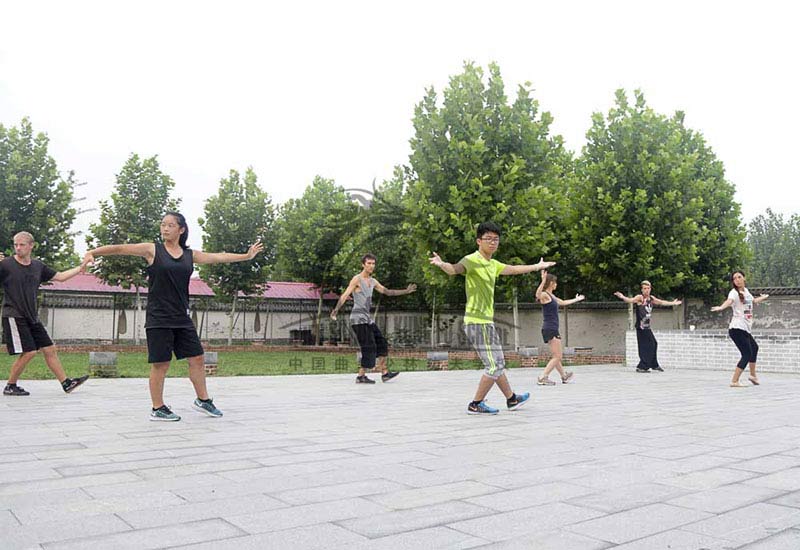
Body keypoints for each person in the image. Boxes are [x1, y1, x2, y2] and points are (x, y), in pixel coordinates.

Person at [84, 212, 262, 421]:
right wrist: (93, 252)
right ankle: (157, 408)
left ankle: (203, 400)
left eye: (170, 225)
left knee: (197, 357)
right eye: (163, 225)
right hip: (159, 317)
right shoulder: (153, 250)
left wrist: (246, 256)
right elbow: (120, 248)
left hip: (182, 317)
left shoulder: (189, 255)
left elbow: (217, 257)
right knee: (161, 363)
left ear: (181, 229)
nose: (165, 228)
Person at [429, 221, 554, 415]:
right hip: (477, 322)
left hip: (486, 322)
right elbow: (454, 269)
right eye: (488, 239)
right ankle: (475, 403)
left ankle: (511, 399)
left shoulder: (492, 264)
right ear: (479, 241)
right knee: (495, 364)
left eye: (496, 239)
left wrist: (537, 266)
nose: (493, 243)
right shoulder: (472, 259)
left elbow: (513, 269)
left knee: (497, 362)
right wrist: (441, 264)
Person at [1, 232, 90, 396]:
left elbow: (61, 277)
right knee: (30, 351)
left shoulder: (38, 266)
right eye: (16, 245)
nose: (18, 248)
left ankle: (66, 383)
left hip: (31, 316)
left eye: (22, 244)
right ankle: (10, 385)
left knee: (49, 349)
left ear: (31, 245)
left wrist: (81, 267)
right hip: (14, 314)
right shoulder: (5, 265)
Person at [330, 253, 417, 383]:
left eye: (373, 263)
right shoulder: (357, 279)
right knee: (369, 346)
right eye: (369, 263)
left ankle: (385, 373)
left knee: (381, 343)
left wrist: (406, 291)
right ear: (363, 265)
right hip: (358, 320)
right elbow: (345, 295)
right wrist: (335, 311)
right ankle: (361, 376)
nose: (371, 266)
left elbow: (387, 292)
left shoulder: (373, 281)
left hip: (367, 319)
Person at [711, 271, 768, 387]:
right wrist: (721, 307)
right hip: (737, 328)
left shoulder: (746, 292)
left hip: (745, 328)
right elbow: (729, 301)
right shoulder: (733, 293)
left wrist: (763, 297)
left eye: (739, 277)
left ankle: (753, 375)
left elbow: (753, 301)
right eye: (734, 278)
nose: (737, 280)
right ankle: (734, 381)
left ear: (744, 278)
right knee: (747, 354)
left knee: (754, 348)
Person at [614, 281, 681, 373]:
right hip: (641, 327)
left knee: (654, 343)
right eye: (644, 288)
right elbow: (630, 300)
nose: (647, 290)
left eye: (648, 288)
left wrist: (673, 303)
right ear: (642, 290)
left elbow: (661, 302)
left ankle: (654, 365)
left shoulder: (651, 298)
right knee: (646, 346)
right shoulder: (640, 298)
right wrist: (622, 297)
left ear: (650, 289)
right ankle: (642, 366)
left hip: (647, 327)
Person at [534, 270, 584, 385]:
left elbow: (563, 302)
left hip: (551, 328)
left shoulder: (552, 296)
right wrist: (542, 281)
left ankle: (564, 376)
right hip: (550, 328)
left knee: (555, 355)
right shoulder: (545, 295)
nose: (556, 284)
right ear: (551, 283)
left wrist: (576, 299)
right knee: (558, 356)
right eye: (555, 282)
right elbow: (537, 295)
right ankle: (543, 377)